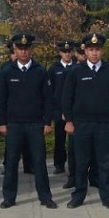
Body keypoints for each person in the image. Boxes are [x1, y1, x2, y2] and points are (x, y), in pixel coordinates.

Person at [62, 32, 109, 210]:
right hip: (82, 124)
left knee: (104, 163)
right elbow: (67, 98)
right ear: (85, 51)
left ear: (102, 51)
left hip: (104, 124)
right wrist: (69, 121)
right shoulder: (75, 71)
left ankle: (106, 196)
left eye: (97, 49)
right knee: (81, 162)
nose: (94, 53)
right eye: (90, 49)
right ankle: (79, 195)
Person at [0, 33, 57, 209]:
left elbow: (48, 99)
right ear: (15, 50)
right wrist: (2, 122)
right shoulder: (6, 71)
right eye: (20, 49)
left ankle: (45, 197)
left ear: (31, 50)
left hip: (35, 124)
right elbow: (1, 99)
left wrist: (47, 122)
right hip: (14, 124)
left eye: (26, 48)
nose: (23, 52)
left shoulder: (40, 71)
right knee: (11, 161)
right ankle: (9, 197)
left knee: (39, 161)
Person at [47, 40, 76, 177]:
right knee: (59, 139)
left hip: (74, 110)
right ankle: (59, 164)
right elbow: (50, 91)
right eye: (64, 52)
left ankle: (73, 165)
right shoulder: (54, 69)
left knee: (74, 141)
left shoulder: (77, 67)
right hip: (58, 109)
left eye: (69, 51)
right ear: (60, 53)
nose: (67, 54)